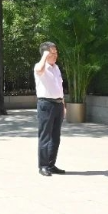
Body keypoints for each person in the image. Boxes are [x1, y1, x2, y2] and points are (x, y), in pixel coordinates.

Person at [34, 42, 66, 177]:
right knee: (45, 137)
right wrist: (45, 55)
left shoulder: (56, 68)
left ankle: (51, 165)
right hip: (46, 105)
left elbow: (60, 88)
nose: (55, 55)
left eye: (56, 52)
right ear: (46, 54)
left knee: (55, 137)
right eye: (52, 53)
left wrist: (63, 105)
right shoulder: (40, 66)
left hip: (58, 104)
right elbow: (39, 70)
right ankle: (43, 166)